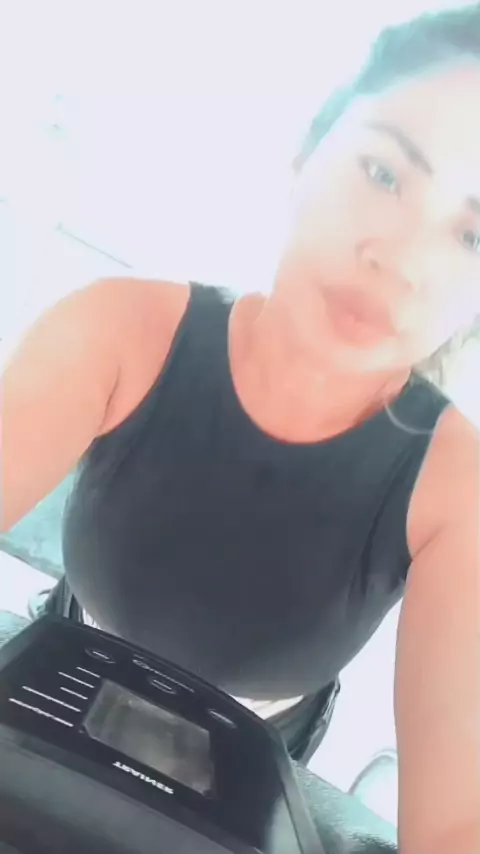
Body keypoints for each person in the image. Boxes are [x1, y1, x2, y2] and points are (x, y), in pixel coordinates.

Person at [2, 5, 480, 852]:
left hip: (259, 755)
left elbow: (456, 820)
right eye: (383, 172)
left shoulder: (457, 487)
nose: (399, 259)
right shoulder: (116, 330)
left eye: (472, 234)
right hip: (67, 668)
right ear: (307, 152)